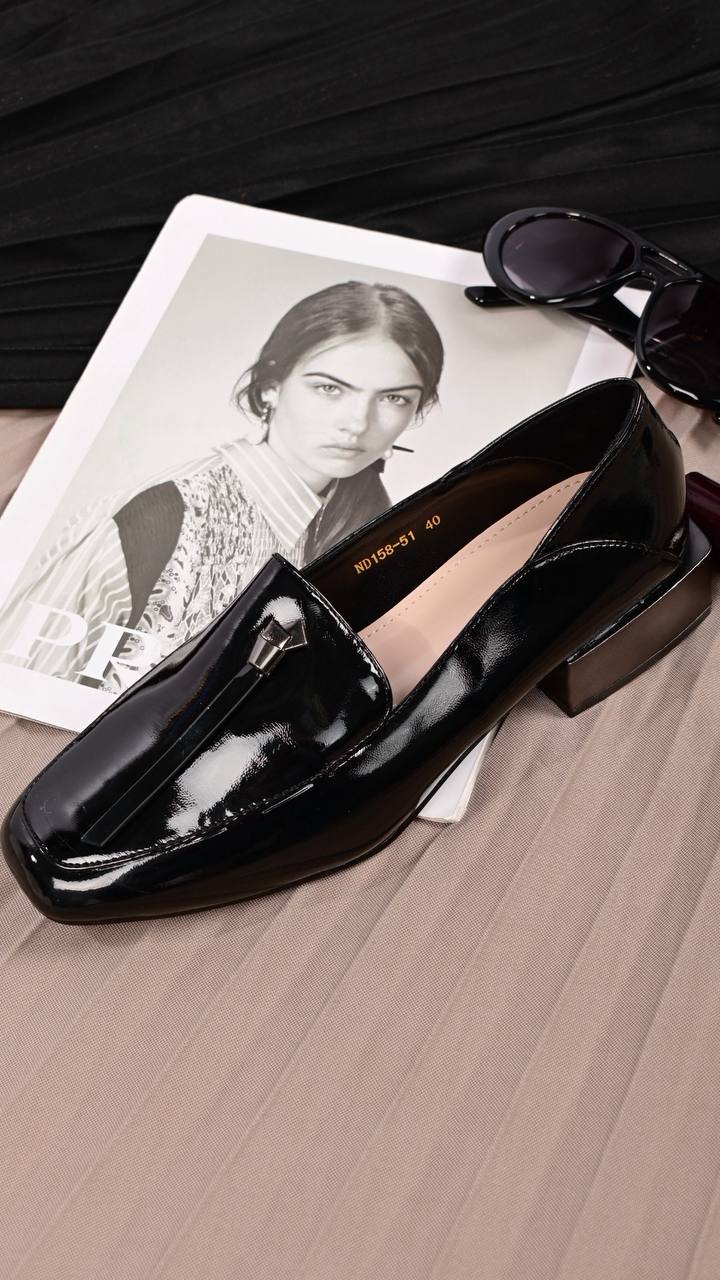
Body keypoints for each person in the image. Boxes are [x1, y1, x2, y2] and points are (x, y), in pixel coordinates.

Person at [0, 280, 444, 693]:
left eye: (394, 398)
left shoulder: (382, 532)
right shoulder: (159, 516)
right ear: (271, 387)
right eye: (329, 388)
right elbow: (18, 682)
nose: (358, 423)